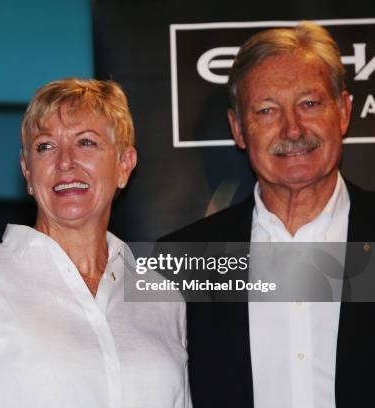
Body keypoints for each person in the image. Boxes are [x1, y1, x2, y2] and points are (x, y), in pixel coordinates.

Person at [0, 78, 190, 408]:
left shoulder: (162, 296)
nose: (65, 162)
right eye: (45, 146)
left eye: (86, 142)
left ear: (124, 165)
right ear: (28, 172)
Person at [159, 22, 375, 408]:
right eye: (267, 110)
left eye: (309, 103)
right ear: (239, 129)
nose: (292, 129)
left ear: (342, 112)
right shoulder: (182, 263)